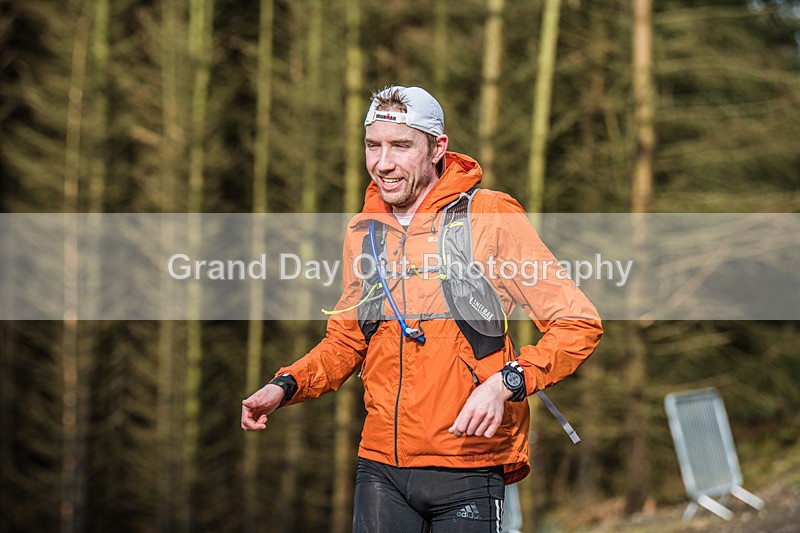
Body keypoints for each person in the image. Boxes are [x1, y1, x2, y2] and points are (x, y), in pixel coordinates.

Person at [241, 85, 602, 532]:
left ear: (437, 148)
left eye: (401, 146)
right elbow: (347, 341)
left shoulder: (489, 217)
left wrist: (507, 383)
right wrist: (285, 385)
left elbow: (577, 323)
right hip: (379, 467)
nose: (383, 163)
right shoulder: (364, 232)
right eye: (373, 145)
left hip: (468, 462)